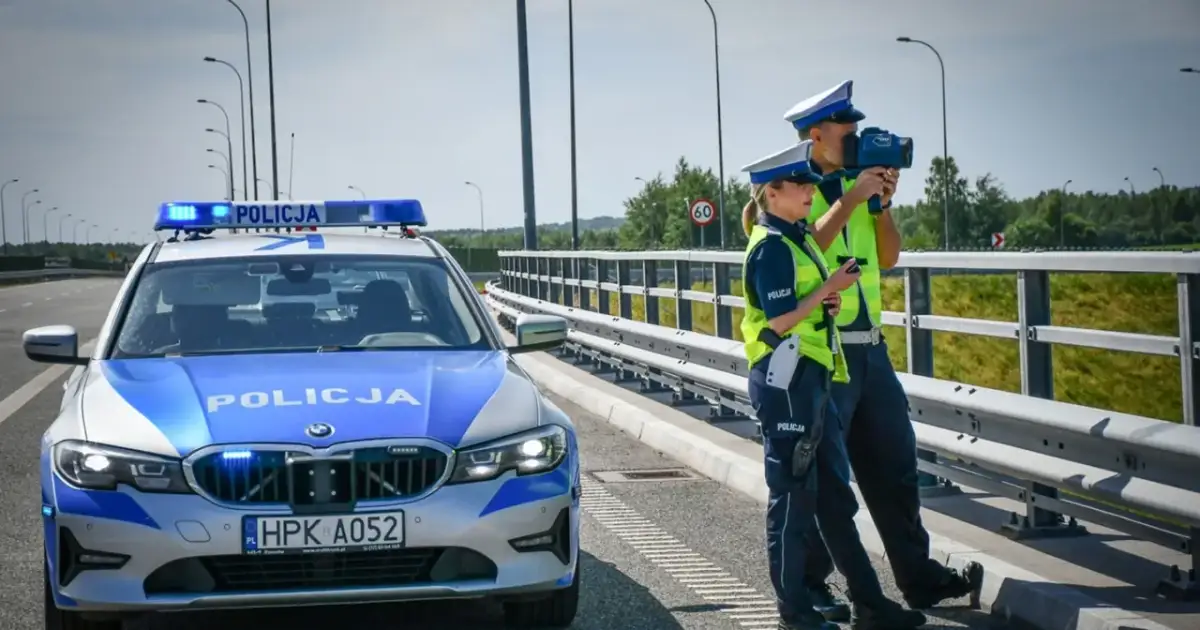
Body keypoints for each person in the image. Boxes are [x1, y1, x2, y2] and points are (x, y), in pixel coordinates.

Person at [781, 80, 984, 623]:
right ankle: (811, 583)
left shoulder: (859, 187)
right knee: (827, 477)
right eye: (848, 129)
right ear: (817, 134)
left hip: (870, 350)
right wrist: (849, 200)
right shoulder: (791, 190)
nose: (858, 137)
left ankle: (916, 578)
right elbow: (802, 247)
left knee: (896, 466)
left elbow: (889, 257)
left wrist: (880, 205)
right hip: (823, 353)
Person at [740, 140, 927, 630]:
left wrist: (825, 302)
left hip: (812, 376)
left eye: (808, 183)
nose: (808, 192)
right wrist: (826, 292)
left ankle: (871, 605)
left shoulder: (796, 238)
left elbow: (803, 304)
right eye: (799, 185)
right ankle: (795, 613)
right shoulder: (772, 246)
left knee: (833, 500)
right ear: (771, 193)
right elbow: (778, 320)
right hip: (787, 383)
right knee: (793, 502)